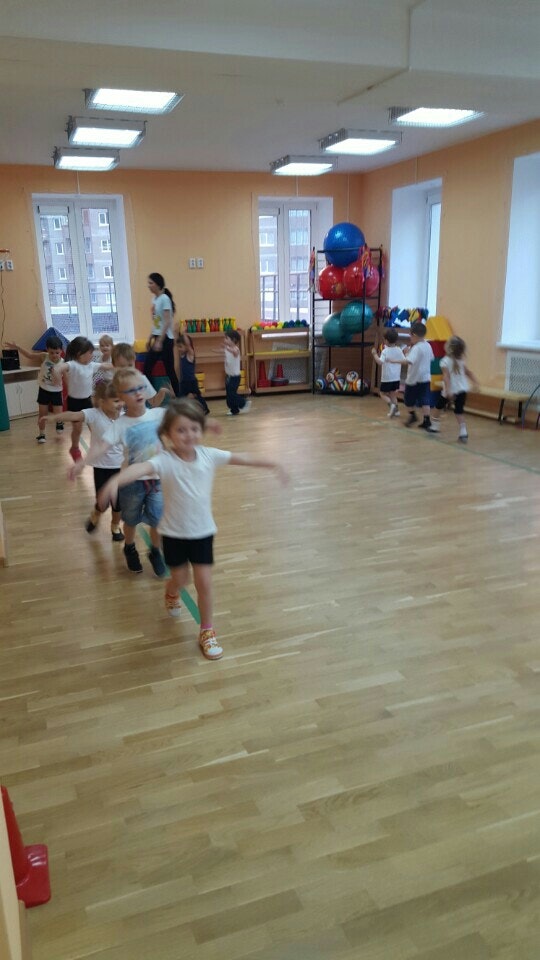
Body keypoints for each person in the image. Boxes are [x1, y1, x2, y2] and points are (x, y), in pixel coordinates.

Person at [97, 398, 288, 660]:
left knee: (204, 583)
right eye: (181, 430)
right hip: (173, 535)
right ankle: (171, 591)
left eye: (194, 429)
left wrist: (272, 463)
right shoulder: (164, 460)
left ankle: (207, 630)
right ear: (167, 435)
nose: (189, 435)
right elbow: (140, 468)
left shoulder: (209, 455)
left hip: (202, 533)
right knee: (181, 579)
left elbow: (241, 457)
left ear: (201, 429)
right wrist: (114, 482)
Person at [39, 381, 125, 540]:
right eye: (115, 401)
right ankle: (96, 514)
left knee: (118, 502)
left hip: (120, 466)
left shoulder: (124, 416)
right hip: (101, 466)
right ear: (102, 401)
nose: (120, 404)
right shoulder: (94, 414)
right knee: (102, 502)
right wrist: (54, 417)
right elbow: (73, 415)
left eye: (121, 400)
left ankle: (115, 527)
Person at [55, 336, 113, 460]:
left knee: (95, 426)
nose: (92, 355)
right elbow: (60, 367)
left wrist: (120, 365)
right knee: (77, 429)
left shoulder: (91, 365)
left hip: (87, 400)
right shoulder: (72, 365)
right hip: (75, 402)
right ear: (80, 354)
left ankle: (98, 447)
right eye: (90, 353)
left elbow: (105, 366)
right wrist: (56, 372)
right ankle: (74, 448)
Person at [5, 336, 65, 442]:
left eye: (57, 352)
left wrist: (55, 375)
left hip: (56, 391)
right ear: (47, 350)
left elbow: (59, 381)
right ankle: (42, 434)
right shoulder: (44, 356)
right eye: (51, 353)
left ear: (61, 351)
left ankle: (59, 422)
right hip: (44, 389)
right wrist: (18, 347)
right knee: (42, 414)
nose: (54, 355)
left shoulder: (63, 363)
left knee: (58, 414)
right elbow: (29, 356)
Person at [428, 336, 480, 442]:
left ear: (448, 348)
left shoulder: (444, 361)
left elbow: (446, 377)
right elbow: (469, 373)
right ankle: (463, 432)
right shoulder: (461, 361)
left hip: (450, 390)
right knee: (459, 411)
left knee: (438, 407)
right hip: (462, 390)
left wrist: (448, 390)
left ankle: (434, 426)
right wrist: (476, 383)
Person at [144, 272, 180, 396]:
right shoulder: (154, 299)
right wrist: (150, 337)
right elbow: (156, 322)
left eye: (151, 283)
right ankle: (152, 396)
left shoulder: (164, 299)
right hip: (157, 337)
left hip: (166, 339)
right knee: (147, 368)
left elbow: (167, 321)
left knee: (170, 371)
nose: (148, 285)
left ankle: (179, 398)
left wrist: (159, 341)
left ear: (158, 284)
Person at [111, 342, 173, 408]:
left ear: (134, 362)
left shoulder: (141, 379)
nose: (127, 370)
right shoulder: (111, 383)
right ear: (114, 365)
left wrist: (162, 391)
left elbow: (154, 402)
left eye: (130, 365)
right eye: (122, 367)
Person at [402, 321, 434, 430]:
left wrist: (403, 355)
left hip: (413, 379)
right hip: (425, 378)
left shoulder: (416, 348)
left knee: (408, 399)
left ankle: (412, 416)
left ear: (414, 335)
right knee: (425, 400)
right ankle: (426, 420)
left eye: (410, 335)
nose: (410, 338)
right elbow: (431, 358)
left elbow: (409, 361)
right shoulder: (428, 345)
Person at [371, 329, 406, 417]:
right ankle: (396, 411)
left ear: (386, 340)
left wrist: (375, 354)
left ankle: (392, 406)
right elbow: (404, 361)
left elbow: (380, 362)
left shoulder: (385, 351)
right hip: (396, 378)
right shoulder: (399, 350)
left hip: (387, 378)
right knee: (393, 395)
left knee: (382, 394)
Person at [177, 333, 210, 414]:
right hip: (184, 382)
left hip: (191, 381)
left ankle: (205, 409)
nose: (179, 349)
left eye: (180, 346)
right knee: (180, 397)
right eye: (178, 347)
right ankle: (179, 411)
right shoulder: (182, 355)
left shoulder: (190, 355)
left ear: (186, 346)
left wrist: (184, 334)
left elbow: (188, 345)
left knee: (197, 396)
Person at [223, 329, 250, 416]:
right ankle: (234, 410)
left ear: (233, 340)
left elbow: (235, 353)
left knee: (232, 394)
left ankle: (244, 402)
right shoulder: (227, 349)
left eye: (226, 338)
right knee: (229, 395)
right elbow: (225, 352)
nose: (224, 340)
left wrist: (228, 349)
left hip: (235, 377)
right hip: (228, 376)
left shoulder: (236, 349)